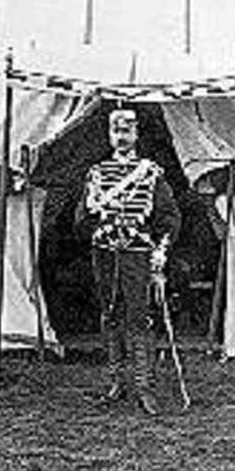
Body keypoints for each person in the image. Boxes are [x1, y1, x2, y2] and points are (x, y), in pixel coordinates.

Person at [74, 108, 181, 415]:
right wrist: (98, 231)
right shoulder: (97, 173)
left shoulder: (150, 174)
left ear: (136, 134)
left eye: (127, 131)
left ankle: (145, 388)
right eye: (116, 131)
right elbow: (81, 218)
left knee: (139, 317)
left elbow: (170, 216)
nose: (121, 136)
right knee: (110, 315)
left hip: (137, 255)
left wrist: (161, 249)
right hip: (106, 254)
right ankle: (117, 382)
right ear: (110, 135)